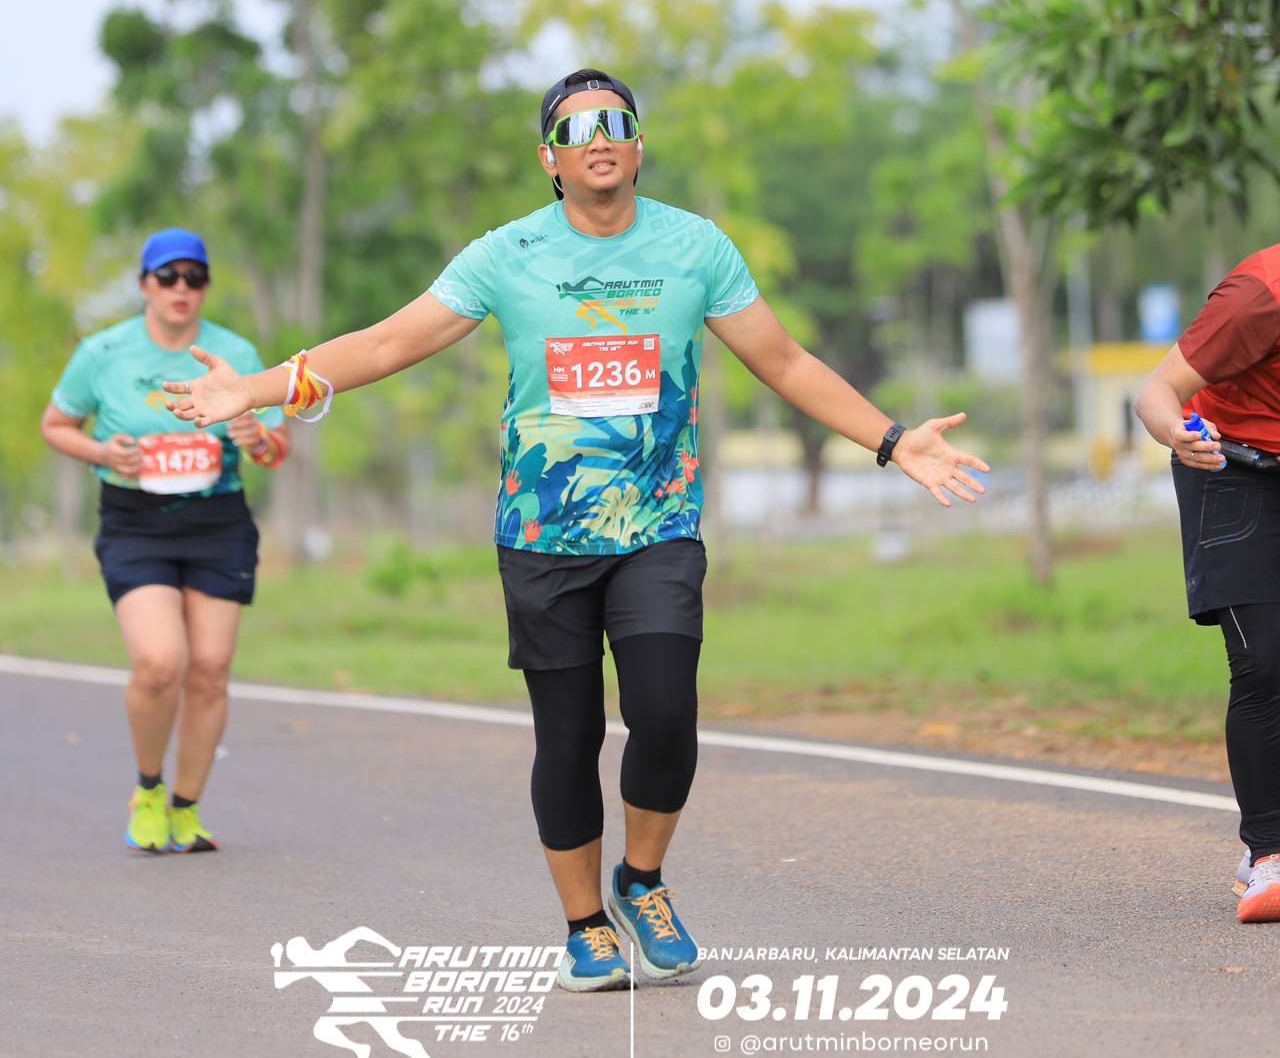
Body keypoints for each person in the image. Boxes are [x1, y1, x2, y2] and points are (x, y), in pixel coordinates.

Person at [165, 70, 989, 987]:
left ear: (637, 145)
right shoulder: (505, 254)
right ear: (550, 159)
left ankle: (643, 880)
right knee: (567, 738)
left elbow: (785, 361)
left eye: (615, 122)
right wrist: (256, 388)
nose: (598, 137)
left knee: (665, 714)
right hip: (542, 538)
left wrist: (891, 441)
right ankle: (585, 924)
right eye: (576, 128)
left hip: (657, 527)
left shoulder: (696, 247)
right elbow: (388, 342)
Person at [40, 227, 290, 856]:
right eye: (168, 276)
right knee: (160, 664)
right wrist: (103, 452)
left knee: (209, 671)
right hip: (135, 522)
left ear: (205, 285)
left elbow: (276, 450)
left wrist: (254, 437)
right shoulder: (103, 351)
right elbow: (56, 425)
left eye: (194, 277)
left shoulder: (234, 351)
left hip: (217, 521)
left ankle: (186, 808)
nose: (182, 288)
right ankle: (148, 789)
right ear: (144, 284)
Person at [1135, 245, 1280, 923]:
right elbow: (1154, 392)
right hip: (1231, 466)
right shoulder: (1262, 294)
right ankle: (1269, 855)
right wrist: (1177, 433)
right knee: (1265, 659)